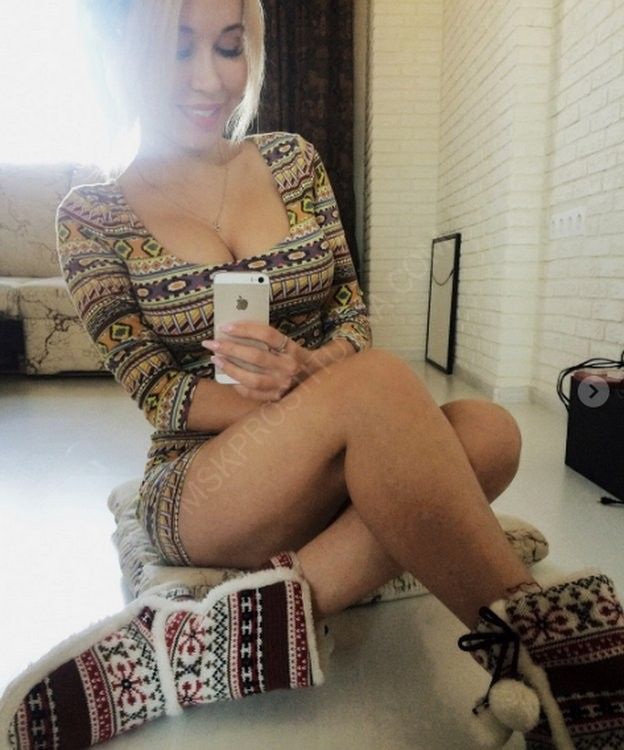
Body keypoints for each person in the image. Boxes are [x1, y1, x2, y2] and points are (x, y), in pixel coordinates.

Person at [1, 1, 622, 748]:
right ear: (121, 57)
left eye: (229, 46)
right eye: (178, 48)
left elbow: (351, 317)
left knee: (491, 432)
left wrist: (318, 369)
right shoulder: (90, 216)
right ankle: (566, 671)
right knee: (381, 392)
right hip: (207, 484)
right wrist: (313, 400)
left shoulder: (291, 161)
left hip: (334, 453)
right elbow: (157, 391)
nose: (210, 79)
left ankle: (217, 639)